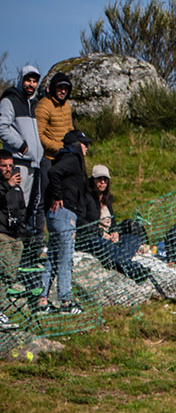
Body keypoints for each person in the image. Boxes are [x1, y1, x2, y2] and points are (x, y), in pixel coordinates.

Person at [41, 128, 93, 314]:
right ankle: (65, 302)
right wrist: (58, 196)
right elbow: (53, 173)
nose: (87, 148)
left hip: (55, 215)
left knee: (52, 258)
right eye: (85, 144)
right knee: (65, 258)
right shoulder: (72, 159)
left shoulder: (63, 157)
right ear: (77, 145)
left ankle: (42, 301)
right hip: (64, 215)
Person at [82, 164, 147, 280]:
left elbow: (113, 221)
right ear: (93, 180)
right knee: (108, 246)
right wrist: (101, 233)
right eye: (99, 179)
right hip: (93, 237)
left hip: (110, 237)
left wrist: (115, 231)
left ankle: (117, 260)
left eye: (105, 179)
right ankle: (135, 269)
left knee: (134, 239)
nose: (102, 182)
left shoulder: (108, 199)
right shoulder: (85, 197)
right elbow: (81, 222)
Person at [0, 66, 44, 224]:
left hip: (34, 164)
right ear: (21, 80)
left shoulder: (36, 105)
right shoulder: (9, 101)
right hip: (18, 162)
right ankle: (10, 235)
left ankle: (21, 235)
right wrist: (21, 146)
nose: (31, 84)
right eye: (28, 80)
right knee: (15, 204)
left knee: (28, 206)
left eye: (34, 81)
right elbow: (2, 127)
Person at [0, 150, 27, 286]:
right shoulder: (5, 185)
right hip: (2, 235)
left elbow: (22, 209)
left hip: (16, 236)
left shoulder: (16, 188)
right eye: (4, 166)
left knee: (10, 276)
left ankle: (4, 297)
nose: (8, 169)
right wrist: (7, 185)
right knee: (7, 271)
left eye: (10, 166)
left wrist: (22, 228)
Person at [34, 72, 74, 156]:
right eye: (60, 88)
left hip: (66, 153)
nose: (63, 91)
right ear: (53, 88)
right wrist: (59, 147)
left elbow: (70, 128)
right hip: (49, 156)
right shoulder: (43, 106)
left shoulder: (66, 105)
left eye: (66, 88)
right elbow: (38, 135)